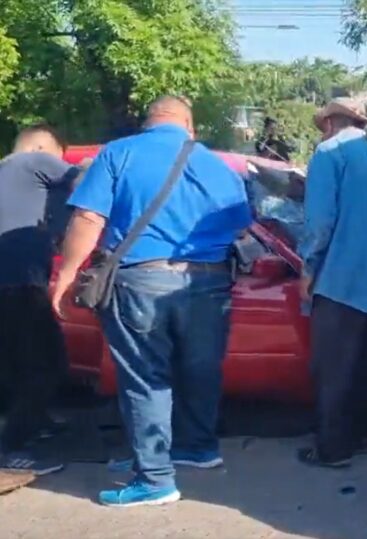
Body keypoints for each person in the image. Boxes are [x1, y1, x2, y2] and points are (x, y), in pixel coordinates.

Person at [51, 96, 252, 507]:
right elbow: (241, 229)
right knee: (200, 369)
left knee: (145, 378)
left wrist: (68, 273)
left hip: (141, 279)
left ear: (149, 122)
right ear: (189, 127)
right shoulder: (218, 165)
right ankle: (198, 448)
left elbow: (89, 218)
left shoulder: (119, 153)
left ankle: (156, 478)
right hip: (209, 281)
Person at [298, 97, 367, 467]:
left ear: (328, 123)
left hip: (339, 278)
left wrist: (308, 269)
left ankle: (333, 449)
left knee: (333, 369)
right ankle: (364, 435)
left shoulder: (328, 154)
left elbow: (320, 222)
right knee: (364, 365)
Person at [0, 125, 80, 476]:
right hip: (20, 282)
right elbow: (84, 180)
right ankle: (13, 447)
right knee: (45, 364)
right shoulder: (33, 160)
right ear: (40, 147)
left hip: (10, 282)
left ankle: (35, 422)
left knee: (15, 363)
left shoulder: (5, 172)